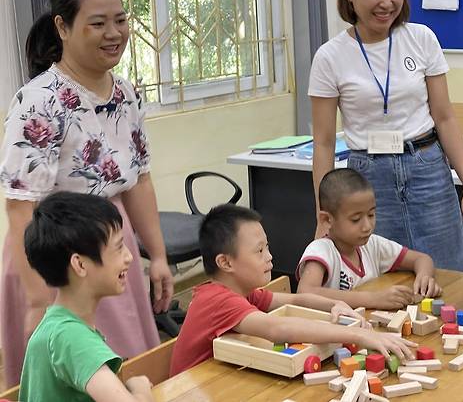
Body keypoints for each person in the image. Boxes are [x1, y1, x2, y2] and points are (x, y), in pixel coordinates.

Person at [0, 0, 173, 386]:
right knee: (67, 377)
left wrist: (159, 257)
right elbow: (21, 208)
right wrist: (42, 300)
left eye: (121, 20)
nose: (113, 33)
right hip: (54, 257)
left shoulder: (126, 93)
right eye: (97, 23)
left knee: (126, 369)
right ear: (62, 26)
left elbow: (139, 182)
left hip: (111, 245)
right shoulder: (39, 101)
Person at [309, 0, 463, 272]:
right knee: (379, 280)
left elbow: (444, 117)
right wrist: (324, 213)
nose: (387, 3)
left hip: (427, 169)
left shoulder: (421, 38)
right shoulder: (330, 56)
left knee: (450, 274)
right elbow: (324, 143)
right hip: (366, 180)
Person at [169, 204, 416, 376]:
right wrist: (360, 336)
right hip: (194, 389)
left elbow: (298, 299)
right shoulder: (218, 300)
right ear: (226, 263)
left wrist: (334, 305)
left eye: (267, 247)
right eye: (259, 251)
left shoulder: (242, 290)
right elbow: (277, 329)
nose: (269, 256)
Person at [19, 192, 154, 401]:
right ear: (80, 264)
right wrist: (140, 388)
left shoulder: (57, 326)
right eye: (119, 248)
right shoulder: (71, 337)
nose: (129, 257)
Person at [296, 168, 441, 309]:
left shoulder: (372, 244)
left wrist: (425, 277)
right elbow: (305, 292)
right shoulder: (321, 250)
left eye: (371, 215)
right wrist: (373, 299)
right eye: (356, 219)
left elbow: (421, 259)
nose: (367, 226)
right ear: (327, 220)